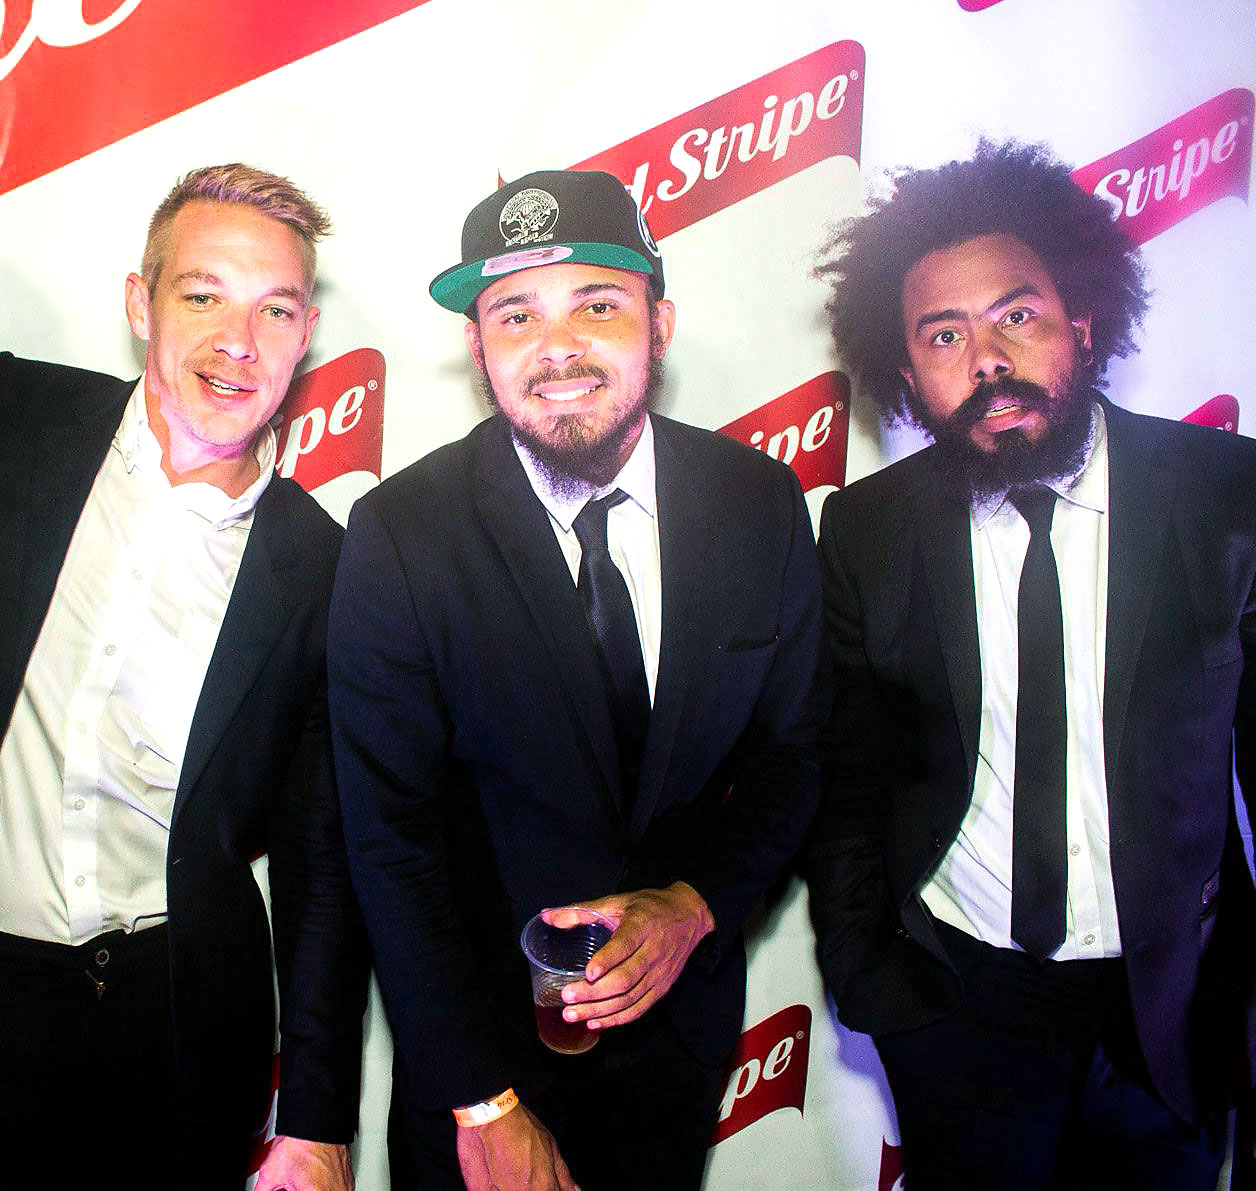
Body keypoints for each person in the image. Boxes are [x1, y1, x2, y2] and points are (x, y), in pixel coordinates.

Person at [328, 168, 824, 1190]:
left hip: (676, 1053)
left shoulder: (759, 503)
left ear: (659, 323)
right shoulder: (402, 534)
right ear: (477, 348)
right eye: (516, 314)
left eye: (597, 304)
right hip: (479, 1072)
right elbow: (388, 840)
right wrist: (481, 1100)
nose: (557, 347)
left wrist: (692, 903)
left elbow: (795, 758)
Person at [803, 139, 1256, 1190]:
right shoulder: (867, 529)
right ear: (906, 371)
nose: (988, 359)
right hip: (960, 1005)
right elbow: (847, 777)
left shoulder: (1226, 493)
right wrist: (871, 979)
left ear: (1080, 322)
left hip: (1173, 1001)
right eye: (944, 334)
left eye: (1017, 315)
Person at [0, 164, 369, 1190]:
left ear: (305, 337)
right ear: (140, 304)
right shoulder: (19, 420)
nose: (236, 341)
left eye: (273, 310)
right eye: (202, 295)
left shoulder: (323, 567)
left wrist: (317, 1120)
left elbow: (320, 862)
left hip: (175, 1036)